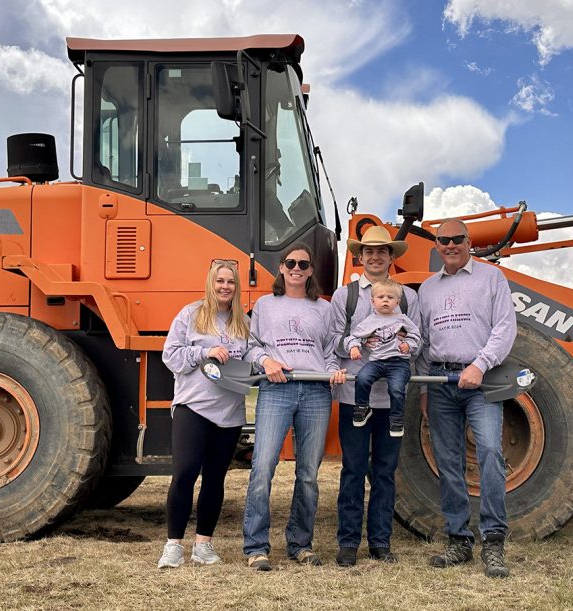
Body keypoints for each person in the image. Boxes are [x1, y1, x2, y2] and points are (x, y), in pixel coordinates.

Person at [418, 218, 517, 578]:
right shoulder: (427, 289)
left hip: (482, 382)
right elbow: (423, 344)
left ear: (469, 240)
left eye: (457, 238)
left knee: (490, 450)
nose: (450, 245)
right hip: (441, 382)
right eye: (443, 240)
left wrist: (480, 364)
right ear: (437, 246)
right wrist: (426, 389)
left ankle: (493, 541)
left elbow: (505, 328)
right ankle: (459, 540)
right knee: (448, 462)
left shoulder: (492, 279)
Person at [242, 243, 346, 571]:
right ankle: (256, 546)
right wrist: (266, 360)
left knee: (309, 476)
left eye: (304, 263)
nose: (297, 268)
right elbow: (250, 345)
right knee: (262, 468)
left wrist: (332, 371)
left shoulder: (324, 309)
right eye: (291, 263)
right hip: (277, 389)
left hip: (316, 393)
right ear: (282, 268)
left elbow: (330, 351)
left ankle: (300, 544)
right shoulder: (265, 305)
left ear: (311, 270)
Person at [328, 225, 421, 568]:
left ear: (391, 256)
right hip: (356, 394)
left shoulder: (409, 297)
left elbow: (419, 341)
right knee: (353, 469)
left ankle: (380, 541)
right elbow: (333, 340)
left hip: (392, 400)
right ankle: (349, 542)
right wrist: (355, 346)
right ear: (360, 256)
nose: (376, 256)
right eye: (369, 251)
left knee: (385, 471)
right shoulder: (346, 297)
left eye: (383, 251)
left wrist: (406, 346)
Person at [157, 259, 250, 569]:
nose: (225, 287)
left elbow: (254, 356)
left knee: (215, 479)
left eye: (231, 282)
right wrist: (203, 352)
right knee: (184, 474)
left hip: (230, 413)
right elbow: (170, 355)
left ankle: (203, 545)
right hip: (193, 407)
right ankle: (173, 546)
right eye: (220, 281)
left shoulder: (243, 322)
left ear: (237, 287)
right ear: (211, 283)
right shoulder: (191, 314)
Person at [345, 278, 421, 436]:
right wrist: (353, 347)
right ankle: (362, 407)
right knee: (362, 378)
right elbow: (352, 337)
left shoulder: (402, 319)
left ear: (397, 302)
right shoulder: (369, 322)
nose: (385, 300)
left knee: (396, 388)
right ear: (373, 301)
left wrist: (409, 344)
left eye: (390, 297)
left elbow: (416, 336)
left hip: (398, 363)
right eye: (381, 297)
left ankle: (397, 418)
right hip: (376, 362)